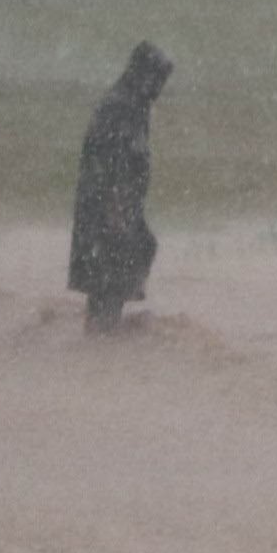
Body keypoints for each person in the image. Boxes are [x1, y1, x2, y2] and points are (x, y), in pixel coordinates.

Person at [68, 43, 173, 334]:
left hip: (118, 203)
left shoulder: (131, 103)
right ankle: (103, 331)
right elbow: (108, 159)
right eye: (158, 79)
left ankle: (103, 328)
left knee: (124, 261)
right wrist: (115, 206)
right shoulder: (121, 106)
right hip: (110, 205)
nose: (160, 88)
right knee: (112, 269)